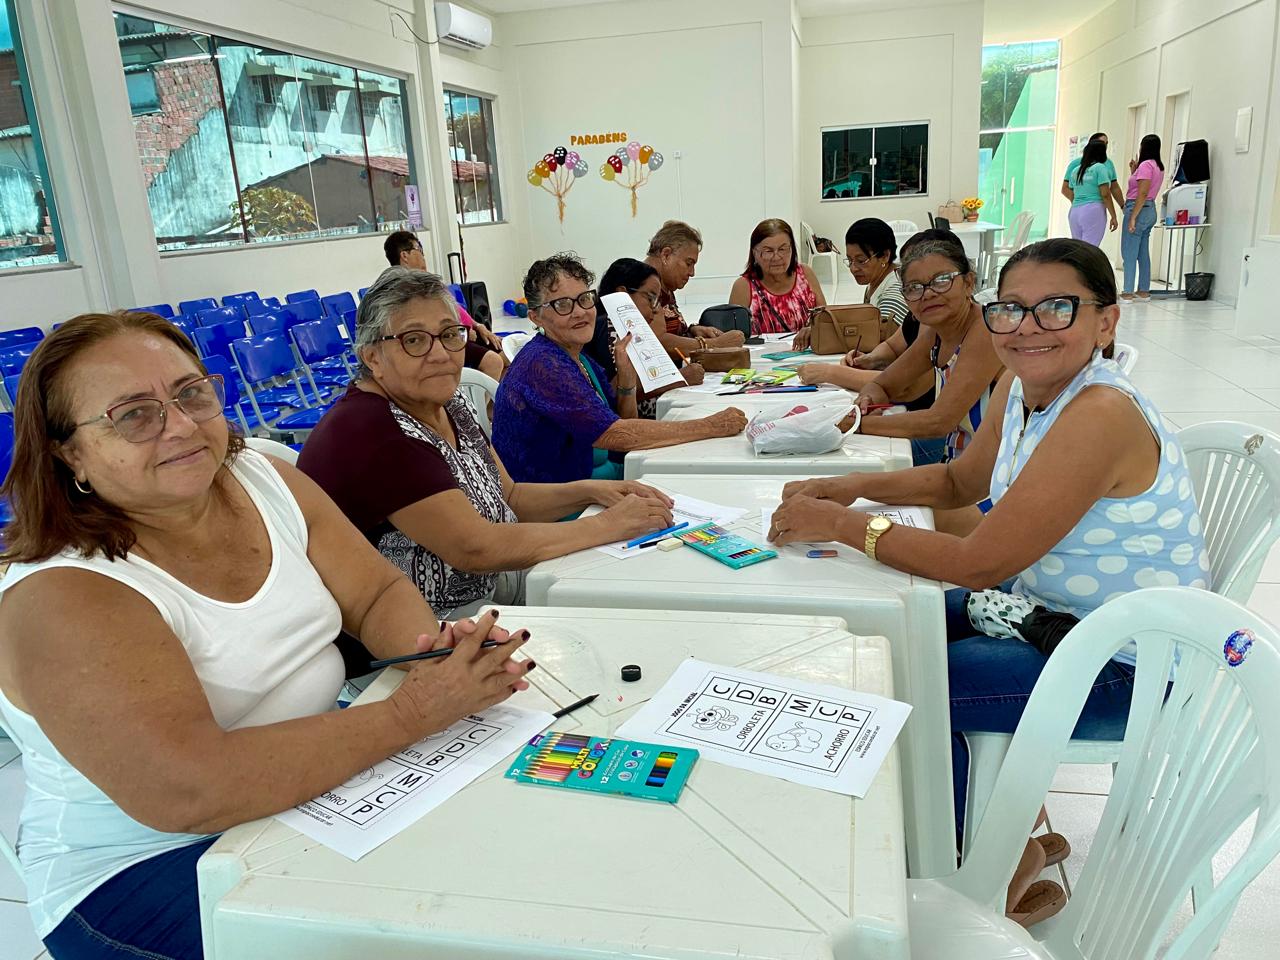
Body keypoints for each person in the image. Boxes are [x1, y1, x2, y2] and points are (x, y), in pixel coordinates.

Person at [0, 311, 536, 960]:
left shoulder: (261, 477)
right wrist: (416, 711)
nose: (180, 424)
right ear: (69, 453)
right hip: (147, 867)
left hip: (303, 791)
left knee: (499, 856)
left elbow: (374, 593)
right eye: (134, 415)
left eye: (191, 393)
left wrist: (433, 658)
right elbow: (189, 789)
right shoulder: (63, 593)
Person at [769, 237, 1209, 914]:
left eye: (1057, 308)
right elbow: (957, 481)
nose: (1028, 328)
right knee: (885, 634)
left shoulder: (1099, 414)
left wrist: (841, 523)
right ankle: (1003, 833)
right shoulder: (1019, 387)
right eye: (1011, 310)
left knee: (909, 684)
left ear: (1106, 322)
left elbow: (981, 563)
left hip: (1125, 663)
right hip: (1045, 619)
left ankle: (976, 883)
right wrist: (848, 485)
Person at [299, 268, 677, 618]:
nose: (440, 354)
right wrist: (607, 525)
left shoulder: (445, 402)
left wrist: (593, 491)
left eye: (449, 334)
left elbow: (509, 497)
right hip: (431, 625)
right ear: (373, 357)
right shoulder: (374, 431)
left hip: (493, 585)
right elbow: (476, 547)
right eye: (414, 340)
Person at [492, 253, 747, 484]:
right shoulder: (544, 364)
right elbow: (617, 435)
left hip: (598, 480)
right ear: (535, 316)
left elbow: (622, 422)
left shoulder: (580, 359)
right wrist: (711, 426)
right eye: (562, 305)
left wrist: (626, 380)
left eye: (584, 299)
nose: (579, 312)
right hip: (561, 501)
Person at [840, 232, 1004, 480]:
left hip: (993, 480)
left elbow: (939, 421)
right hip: (956, 468)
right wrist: (868, 401)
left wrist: (856, 424)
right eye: (914, 288)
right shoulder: (935, 333)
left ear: (969, 283)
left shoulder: (985, 330)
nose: (928, 294)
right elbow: (882, 384)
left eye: (942, 281)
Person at [794, 218, 940, 464]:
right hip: (912, 419)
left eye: (938, 281)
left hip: (932, 437)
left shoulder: (904, 301)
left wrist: (831, 374)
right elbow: (892, 347)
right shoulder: (919, 314)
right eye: (911, 282)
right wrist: (870, 360)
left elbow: (907, 386)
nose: (922, 292)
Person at [584, 257, 706, 420]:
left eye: (657, 301)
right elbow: (613, 395)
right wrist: (680, 377)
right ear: (622, 294)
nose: (655, 310)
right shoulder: (609, 326)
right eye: (650, 298)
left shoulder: (629, 329)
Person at [382, 229, 506, 381]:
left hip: (462, 333)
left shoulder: (428, 282)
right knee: (494, 362)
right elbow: (426, 323)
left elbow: (454, 307)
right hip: (443, 340)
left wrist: (478, 326)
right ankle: (480, 397)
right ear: (404, 255)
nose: (423, 255)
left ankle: (497, 396)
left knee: (507, 353)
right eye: (418, 249)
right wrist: (461, 332)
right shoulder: (402, 288)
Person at [643, 220, 745, 355]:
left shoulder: (665, 284)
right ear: (666, 255)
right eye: (688, 263)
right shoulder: (643, 283)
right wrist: (715, 344)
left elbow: (668, 330)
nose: (692, 273)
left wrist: (692, 331)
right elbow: (657, 342)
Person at [728, 218, 826, 336]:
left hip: (807, 348)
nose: (776, 257)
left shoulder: (805, 274)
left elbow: (825, 319)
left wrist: (812, 331)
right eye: (768, 251)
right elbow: (733, 337)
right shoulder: (743, 286)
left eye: (783, 249)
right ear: (754, 253)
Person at [1121, 134, 1165, 300]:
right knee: (1142, 252)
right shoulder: (1158, 166)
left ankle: (1127, 292)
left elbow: (1143, 192)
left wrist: (1133, 216)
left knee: (1129, 252)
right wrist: (1134, 172)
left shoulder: (1146, 165)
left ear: (1143, 147)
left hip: (1138, 208)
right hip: (1150, 209)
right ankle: (1143, 290)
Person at [1061, 138, 1118, 245]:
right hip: (1093, 210)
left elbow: (1071, 191)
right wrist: (1113, 216)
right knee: (1090, 249)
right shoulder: (1100, 168)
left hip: (1075, 211)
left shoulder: (1076, 170)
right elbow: (1105, 194)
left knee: (1078, 248)